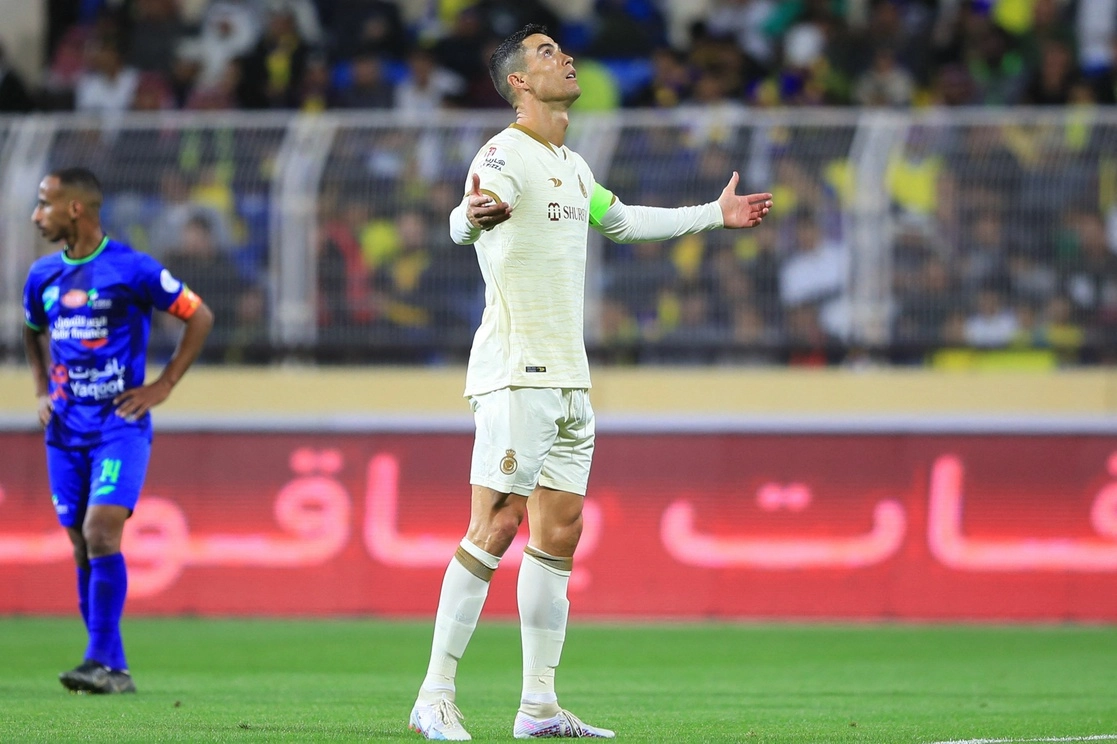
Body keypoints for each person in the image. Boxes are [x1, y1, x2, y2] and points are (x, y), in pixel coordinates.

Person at [408, 24, 772, 741]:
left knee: (558, 535)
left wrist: (712, 215)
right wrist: (466, 218)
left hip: (570, 377)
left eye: (562, 50)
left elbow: (623, 220)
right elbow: (469, 212)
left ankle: (538, 707)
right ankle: (434, 694)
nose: (565, 59)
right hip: (516, 373)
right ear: (517, 81)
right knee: (496, 525)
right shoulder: (502, 154)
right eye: (546, 53)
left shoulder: (571, 166)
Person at [22, 167, 214, 694]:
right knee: (83, 547)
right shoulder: (41, 275)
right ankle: (111, 666)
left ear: (75, 209)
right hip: (64, 429)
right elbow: (32, 330)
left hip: (119, 424)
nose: (37, 215)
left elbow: (198, 316)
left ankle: (98, 660)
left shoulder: (132, 269)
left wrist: (164, 385)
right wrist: (41, 389)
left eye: (44, 204)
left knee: (100, 529)